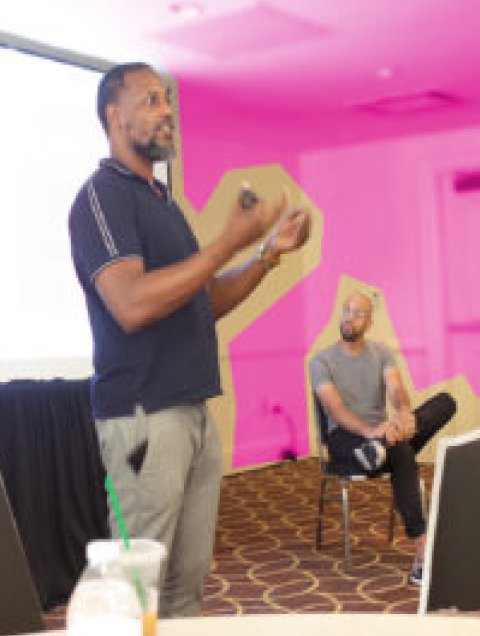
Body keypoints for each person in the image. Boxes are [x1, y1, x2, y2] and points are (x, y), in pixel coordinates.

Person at [70, 62, 312, 614]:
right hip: (143, 419)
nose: (167, 112)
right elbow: (131, 304)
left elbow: (204, 303)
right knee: (130, 595)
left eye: (167, 101)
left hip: (192, 413)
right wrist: (227, 241)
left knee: (185, 590)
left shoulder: (161, 202)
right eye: (152, 100)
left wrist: (268, 254)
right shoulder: (102, 197)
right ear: (115, 115)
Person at [310, 292, 457, 583]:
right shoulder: (321, 361)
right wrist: (371, 432)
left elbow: (395, 390)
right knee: (401, 453)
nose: (350, 318)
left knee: (445, 402)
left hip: (385, 436)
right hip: (345, 441)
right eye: (346, 311)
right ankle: (421, 555)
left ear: (370, 321)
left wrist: (404, 413)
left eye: (358, 313)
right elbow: (335, 410)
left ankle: (381, 447)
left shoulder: (381, 353)